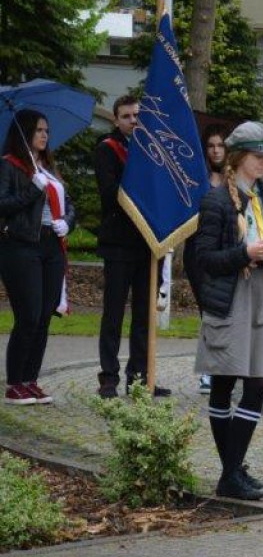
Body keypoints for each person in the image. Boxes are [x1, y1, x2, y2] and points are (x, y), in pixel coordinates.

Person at [193, 121, 263, 500]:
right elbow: (204, 258)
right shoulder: (216, 201)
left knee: (259, 382)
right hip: (231, 293)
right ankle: (231, 472)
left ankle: (233, 468)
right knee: (225, 382)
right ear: (240, 158)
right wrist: (245, 253)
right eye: (260, 158)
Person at [94, 94, 169, 398]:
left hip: (147, 242)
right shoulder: (106, 149)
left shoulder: (152, 151)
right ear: (116, 120)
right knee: (113, 314)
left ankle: (139, 377)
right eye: (126, 116)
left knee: (144, 316)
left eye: (137, 115)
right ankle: (108, 377)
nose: (133, 121)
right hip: (118, 244)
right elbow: (109, 193)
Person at [0, 109, 76, 405]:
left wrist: (68, 221)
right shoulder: (9, 166)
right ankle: (14, 382)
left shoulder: (48, 167)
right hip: (21, 246)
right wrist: (32, 190)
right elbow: (3, 205)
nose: (44, 135)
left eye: (46, 130)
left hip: (51, 246)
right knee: (29, 315)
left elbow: (69, 204)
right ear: (25, 133)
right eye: (38, 130)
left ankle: (31, 380)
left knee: (44, 315)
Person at [186, 123, 229, 396]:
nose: (215, 151)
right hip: (200, 253)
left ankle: (224, 368)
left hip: (228, 253)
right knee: (208, 312)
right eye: (211, 146)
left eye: (220, 146)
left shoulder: (235, 179)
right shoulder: (196, 179)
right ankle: (207, 372)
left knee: (226, 312)